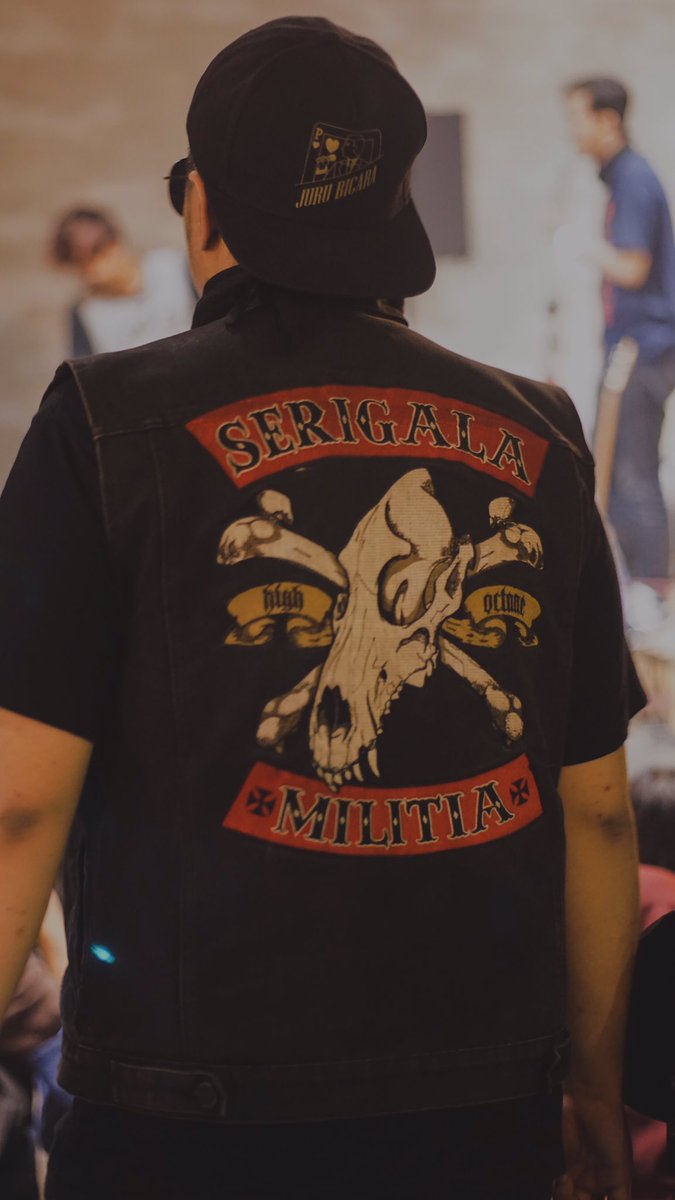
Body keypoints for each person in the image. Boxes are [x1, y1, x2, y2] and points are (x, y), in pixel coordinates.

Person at [0, 17, 643, 1199]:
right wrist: (598, 1086)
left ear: (200, 203)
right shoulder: (542, 433)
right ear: (396, 212)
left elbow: (16, 806)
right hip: (480, 1112)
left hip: (181, 1124)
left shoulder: (103, 423)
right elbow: (598, 815)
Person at [564, 77, 675, 600]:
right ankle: (639, 590)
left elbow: (633, 267)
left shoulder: (633, 177)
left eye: (578, 117)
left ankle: (651, 594)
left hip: (642, 348)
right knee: (619, 469)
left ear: (607, 120)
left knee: (632, 473)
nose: (572, 129)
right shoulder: (623, 176)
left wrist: (577, 241)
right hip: (635, 346)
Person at [50, 207, 196, 355]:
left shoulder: (174, 266)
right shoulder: (86, 314)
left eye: (95, 256)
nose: (92, 274)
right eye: (79, 265)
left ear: (114, 242)